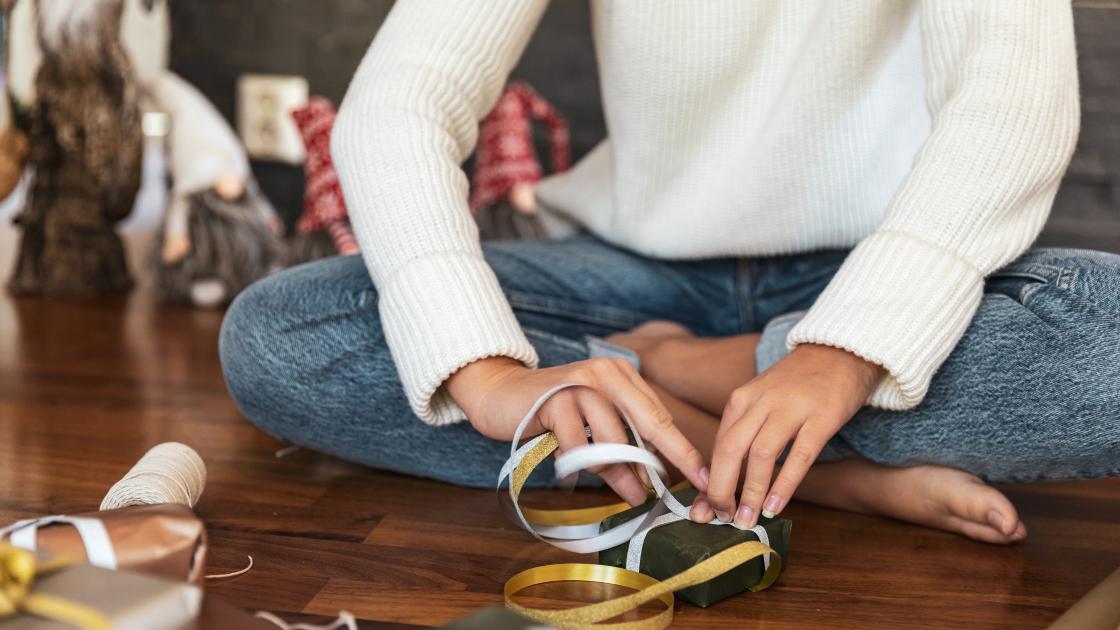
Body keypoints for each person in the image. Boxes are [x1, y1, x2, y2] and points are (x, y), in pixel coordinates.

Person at [220, 0, 1120, 544]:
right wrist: (484, 373)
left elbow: (1011, 102)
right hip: (634, 270)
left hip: (875, 268)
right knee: (281, 335)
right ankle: (814, 475)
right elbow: (398, 103)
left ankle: (676, 372)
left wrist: (845, 353)